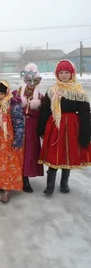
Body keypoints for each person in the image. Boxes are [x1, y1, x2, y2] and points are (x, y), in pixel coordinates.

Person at [37, 60, 91, 195]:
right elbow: (45, 110)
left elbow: (85, 113)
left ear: (72, 73)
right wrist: (41, 128)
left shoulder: (79, 91)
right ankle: (50, 185)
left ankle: (64, 183)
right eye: (61, 72)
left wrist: (86, 133)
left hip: (72, 126)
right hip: (54, 125)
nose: (64, 75)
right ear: (57, 74)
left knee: (68, 153)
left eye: (67, 72)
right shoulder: (52, 90)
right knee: (53, 154)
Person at [0, 81, 24, 204]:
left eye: (2, 93)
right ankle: (1, 183)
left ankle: (7, 190)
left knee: (8, 164)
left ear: (6, 93)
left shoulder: (13, 105)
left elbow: (19, 123)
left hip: (8, 139)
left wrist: (18, 139)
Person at [12, 63, 44, 192]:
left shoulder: (41, 97)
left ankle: (25, 178)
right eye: (28, 80)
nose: (31, 83)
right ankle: (13, 177)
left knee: (29, 153)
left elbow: (44, 115)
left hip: (32, 129)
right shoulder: (16, 94)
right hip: (17, 128)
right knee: (16, 152)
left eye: (34, 80)